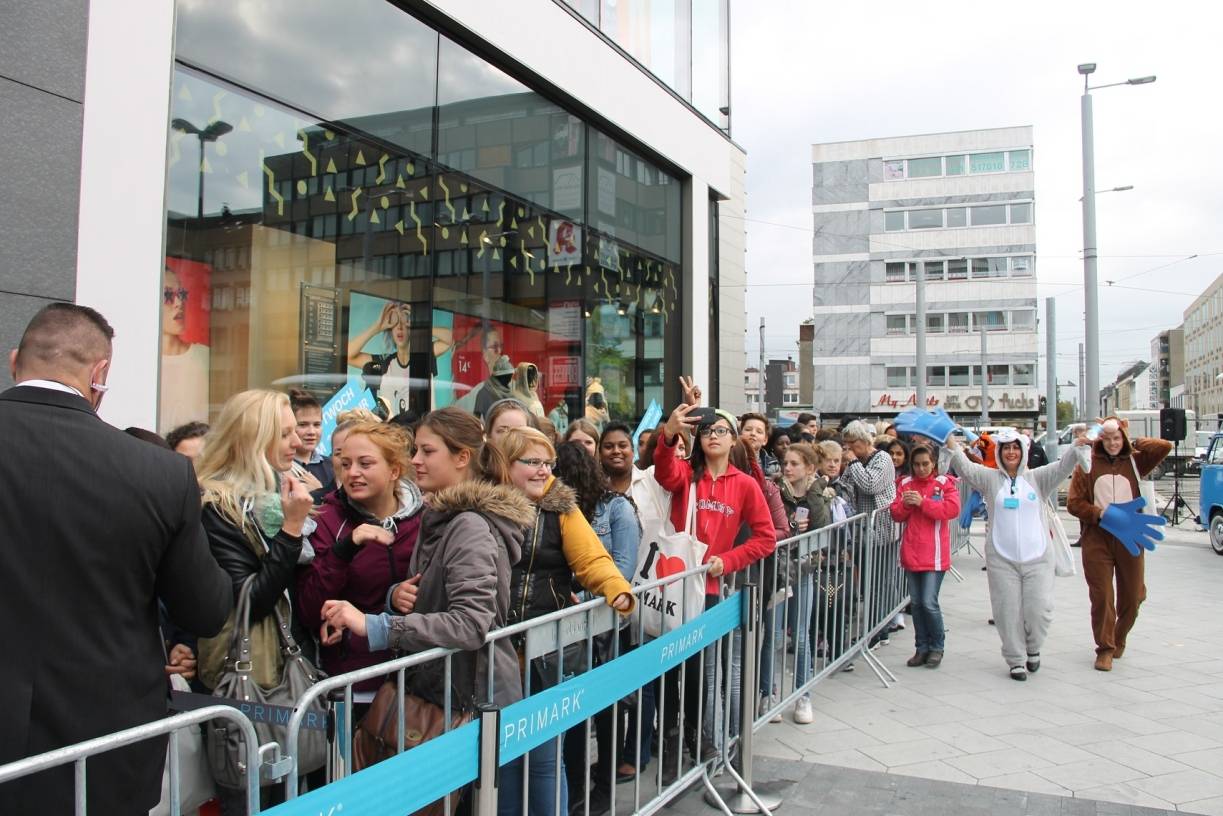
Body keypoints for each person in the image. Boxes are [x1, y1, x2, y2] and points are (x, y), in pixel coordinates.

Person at [0, 303, 231, 815]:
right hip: (102, 744)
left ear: (16, 361)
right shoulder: (160, 473)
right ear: (100, 374)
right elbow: (206, 609)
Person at [319, 406, 532, 761]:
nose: (415, 460)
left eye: (427, 451)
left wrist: (372, 624)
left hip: (473, 703)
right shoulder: (441, 515)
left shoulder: (469, 525)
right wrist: (394, 597)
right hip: (447, 697)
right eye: (416, 450)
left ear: (462, 457)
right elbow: (430, 592)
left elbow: (470, 623)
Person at [496, 426, 633, 816]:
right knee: (500, 758)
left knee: (543, 757)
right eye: (533, 462)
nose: (543, 471)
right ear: (506, 465)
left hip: (545, 651)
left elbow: (592, 560)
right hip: (493, 651)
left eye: (548, 463)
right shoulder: (482, 506)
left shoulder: (562, 509)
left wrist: (615, 589)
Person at [194, 390, 317, 813]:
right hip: (246, 674)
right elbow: (252, 597)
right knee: (249, 794)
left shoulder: (270, 497)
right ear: (253, 438)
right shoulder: (218, 506)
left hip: (280, 671)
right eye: (284, 434)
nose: (297, 443)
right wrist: (292, 529)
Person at [654, 402, 775, 771]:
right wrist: (670, 433)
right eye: (707, 431)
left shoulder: (746, 486)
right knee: (666, 668)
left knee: (698, 669)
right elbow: (662, 469)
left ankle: (696, 735)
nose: (713, 436)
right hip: (670, 587)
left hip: (708, 590)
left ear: (733, 437)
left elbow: (766, 538)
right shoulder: (686, 476)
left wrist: (730, 560)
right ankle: (672, 737)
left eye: (721, 430)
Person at [947, 429, 1090, 680]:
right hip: (1002, 559)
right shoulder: (990, 479)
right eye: (1006, 448)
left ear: (1023, 451)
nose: (1011, 452)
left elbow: (1063, 465)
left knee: (1040, 609)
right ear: (1000, 453)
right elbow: (966, 469)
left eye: (1015, 447)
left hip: (1038, 558)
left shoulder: (1037, 478)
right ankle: (1015, 659)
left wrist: (1078, 445)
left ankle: (1033, 647)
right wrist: (949, 441)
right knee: (1006, 611)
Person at [297, 421, 424, 695]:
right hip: (355, 681)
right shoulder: (327, 519)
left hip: (417, 677)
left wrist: (397, 598)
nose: (352, 473)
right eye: (345, 464)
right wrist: (346, 548)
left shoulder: (424, 518)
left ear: (394, 470)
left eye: (365, 464)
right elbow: (309, 609)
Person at [554, 441, 641, 813]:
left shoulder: (617, 510)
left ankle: (602, 788)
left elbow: (622, 570)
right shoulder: (554, 512)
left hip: (606, 630)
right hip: (568, 635)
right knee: (572, 716)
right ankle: (575, 791)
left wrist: (580, 600)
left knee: (607, 711)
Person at [1066, 418, 1171, 671]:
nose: (1112, 443)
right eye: (1107, 438)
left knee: (1133, 598)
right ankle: (1105, 647)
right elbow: (1073, 503)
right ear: (1099, 439)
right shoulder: (1087, 464)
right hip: (1098, 538)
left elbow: (1164, 446)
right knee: (1102, 595)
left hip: (1130, 536)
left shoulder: (1135, 461)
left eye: (1117, 438)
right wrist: (1100, 513)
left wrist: (1129, 436)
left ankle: (1118, 636)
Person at [890, 445, 959, 670]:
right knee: (917, 604)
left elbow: (951, 510)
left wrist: (923, 503)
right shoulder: (905, 484)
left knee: (929, 602)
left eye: (925, 464)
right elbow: (896, 514)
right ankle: (921, 648)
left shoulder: (944, 483)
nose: (921, 469)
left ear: (934, 464)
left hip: (935, 554)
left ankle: (937, 646)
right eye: (917, 464)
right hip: (911, 551)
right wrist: (906, 505)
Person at [776, 442, 832, 723]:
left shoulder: (818, 492)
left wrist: (814, 492)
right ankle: (769, 694)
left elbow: (823, 528)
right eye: (785, 463)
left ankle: (803, 695)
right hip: (776, 569)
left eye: (794, 463)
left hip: (805, 569)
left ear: (809, 468)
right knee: (772, 636)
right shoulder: (776, 490)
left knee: (800, 634)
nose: (787, 468)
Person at [347, 300, 434, 418]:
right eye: (395, 323)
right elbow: (347, 355)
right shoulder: (384, 362)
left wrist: (420, 325)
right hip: (389, 432)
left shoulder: (422, 358)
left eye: (405, 322)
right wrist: (376, 327)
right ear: (390, 330)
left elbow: (449, 340)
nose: (400, 327)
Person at [159, 264, 211, 433]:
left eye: (181, 294)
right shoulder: (141, 360)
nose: (178, 303)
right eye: (167, 295)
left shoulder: (204, 356)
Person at [289, 388, 334, 493]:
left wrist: (319, 491)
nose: (311, 432)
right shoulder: (279, 467)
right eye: (303, 425)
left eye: (317, 425)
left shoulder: (332, 466)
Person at [740, 412, 779, 481]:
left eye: (759, 431)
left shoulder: (773, 465)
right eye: (748, 429)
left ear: (765, 440)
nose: (753, 433)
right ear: (740, 433)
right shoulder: (729, 460)